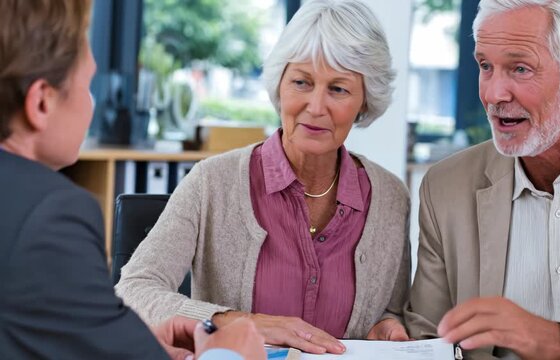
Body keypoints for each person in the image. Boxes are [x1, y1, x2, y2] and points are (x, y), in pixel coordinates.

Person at [115, 0, 411, 354]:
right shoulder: (211, 183)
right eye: (302, 82)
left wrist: (386, 326)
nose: (316, 107)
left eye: (338, 89)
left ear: (364, 101)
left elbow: (392, 309)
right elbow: (132, 290)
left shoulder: (391, 198)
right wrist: (239, 321)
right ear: (279, 85)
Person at [0, 1, 265, 359]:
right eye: (87, 84)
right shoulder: (50, 215)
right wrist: (230, 355)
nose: (92, 105)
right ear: (42, 103)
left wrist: (134, 346)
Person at [404, 0, 560, 359]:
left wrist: (554, 340)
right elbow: (427, 337)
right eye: (485, 66)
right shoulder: (445, 188)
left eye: (520, 68)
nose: (493, 94)